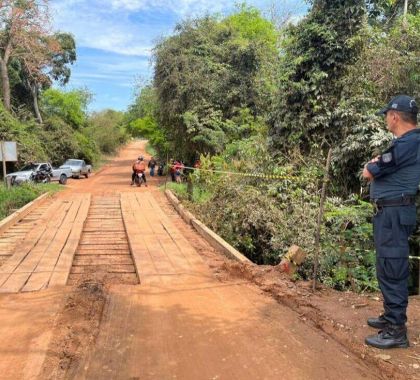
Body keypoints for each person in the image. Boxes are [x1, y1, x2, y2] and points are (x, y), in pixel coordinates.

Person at [362, 95, 419, 349]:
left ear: (395, 116)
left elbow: (369, 171)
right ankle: (390, 317)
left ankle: (396, 330)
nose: (386, 119)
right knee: (387, 263)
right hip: (391, 213)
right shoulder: (406, 143)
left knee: (392, 265)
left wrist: (374, 164)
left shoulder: (409, 142)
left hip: (394, 214)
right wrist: (375, 165)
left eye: (387, 115)